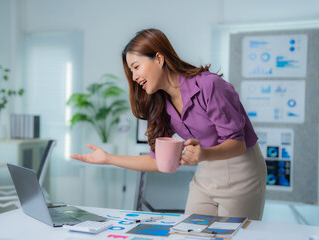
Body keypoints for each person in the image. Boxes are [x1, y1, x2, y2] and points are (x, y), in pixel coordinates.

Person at [71, 28, 267, 220]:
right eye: (131, 71)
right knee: (188, 235)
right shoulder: (160, 105)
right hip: (205, 174)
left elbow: (238, 144)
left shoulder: (210, 86)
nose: (134, 77)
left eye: (136, 67)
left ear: (159, 58)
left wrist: (204, 153)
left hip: (241, 170)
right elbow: (159, 161)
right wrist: (108, 158)